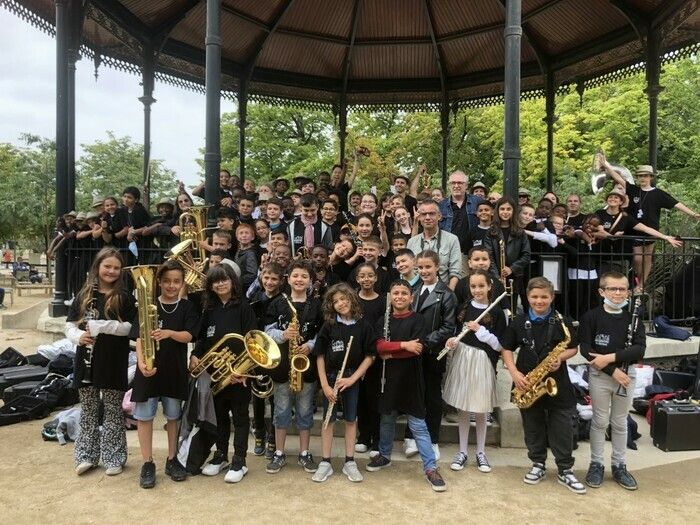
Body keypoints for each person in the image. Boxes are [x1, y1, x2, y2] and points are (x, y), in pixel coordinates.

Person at [500, 277, 585, 494]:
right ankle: (537, 463)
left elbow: (573, 348)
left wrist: (560, 357)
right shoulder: (518, 322)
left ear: (551, 297)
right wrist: (514, 372)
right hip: (526, 381)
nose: (539, 301)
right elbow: (506, 348)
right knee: (532, 425)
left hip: (558, 382)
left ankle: (565, 469)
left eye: (544, 297)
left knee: (562, 426)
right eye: (535, 297)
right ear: (527, 297)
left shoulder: (562, 321)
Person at [367, 279, 447, 492]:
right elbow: (378, 346)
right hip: (388, 379)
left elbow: (417, 348)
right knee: (387, 419)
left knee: (418, 425)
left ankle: (430, 467)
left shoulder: (418, 319)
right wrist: (403, 346)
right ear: (390, 297)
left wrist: (390, 353)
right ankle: (384, 455)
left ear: (411, 298)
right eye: (396, 293)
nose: (400, 296)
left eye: (404, 293)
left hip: (411, 379)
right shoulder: (383, 319)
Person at [64, 247, 136, 476]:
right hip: (86, 359)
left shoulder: (124, 296)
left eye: (116, 267)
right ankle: (86, 455)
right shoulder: (85, 293)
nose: (112, 271)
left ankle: (114, 456)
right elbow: (69, 325)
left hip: (113, 359)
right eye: (107, 266)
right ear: (98, 267)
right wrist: (78, 336)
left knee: (114, 409)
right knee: (88, 408)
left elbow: (130, 328)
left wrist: (103, 326)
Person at [131, 260, 198, 488]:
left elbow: (189, 335)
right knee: (145, 417)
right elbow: (139, 337)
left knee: (173, 417)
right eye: (167, 281)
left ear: (182, 284)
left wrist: (169, 333)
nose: (171, 285)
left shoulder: (187, 307)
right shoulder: (147, 304)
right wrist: (141, 363)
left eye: (176, 281)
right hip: (148, 369)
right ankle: (147, 462)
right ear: (158, 281)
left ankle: (172, 459)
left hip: (174, 369)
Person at [579, 272, 645, 490]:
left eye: (622, 289)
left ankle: (619, 465)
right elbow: (587, 350)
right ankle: (596, 463)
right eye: (612, 289)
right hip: (601, 376)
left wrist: (610, 358)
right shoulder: (591, 317)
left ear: (628, 291)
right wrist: (612, 370)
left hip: (627, 376)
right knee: (599, 421)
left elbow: (638, 349)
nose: (618, 293)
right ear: (602, 291)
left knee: (619, 422)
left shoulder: (632, 318)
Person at [191, 263, 257, 483]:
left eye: (224, 279)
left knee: (239, 418)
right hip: (215, 374)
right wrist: (194, 356)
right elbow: (201, 339)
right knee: (219, 417)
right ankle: (220, 455)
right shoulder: (209, 309)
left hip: (238, 374)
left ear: (233, 282)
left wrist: (244, 371)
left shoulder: (244, 307)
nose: (220, 284)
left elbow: (252, 342)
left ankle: (239, 460)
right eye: (215, 281)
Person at [443, 270, 506, 473]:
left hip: (483, 361)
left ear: (489, 286)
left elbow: (500, 345)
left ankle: (480, 451)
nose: (477, 290)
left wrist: (481, 332)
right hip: (463, 358)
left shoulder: (496, 312)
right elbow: (456, 332)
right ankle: (462, 451)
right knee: (463, 408)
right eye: (473, 286)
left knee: (480, 409)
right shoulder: (464, 307)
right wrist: (452, 342)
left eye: (481, 286)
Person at [312, 283, 376, 483]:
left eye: (343, 299)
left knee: (350, 420)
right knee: (327, 420)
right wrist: (324, 385)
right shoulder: (329, 325)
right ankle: (325, 462)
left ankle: (350, 461)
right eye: (335, 301)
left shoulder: (363, 325)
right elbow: (320, 355)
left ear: (351, 299)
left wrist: (353, 378)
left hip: (350, 379)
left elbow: (370, 355)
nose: (340, 304)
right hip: (331, 378)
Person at [264, 261, 322, 474]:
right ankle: (279, 453)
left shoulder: (317, 305)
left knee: (305, 411)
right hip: (282, 367)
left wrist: (310, 345)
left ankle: (304, 453)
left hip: (306, 367)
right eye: (295, 275)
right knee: (281, 411)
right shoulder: (277, 303)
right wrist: (283, 335)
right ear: (288, 278)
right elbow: (267, 333)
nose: (299, 279)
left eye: (304, 276)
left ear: (310, 281)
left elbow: (322, 334)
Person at [604, 163, 698, 291]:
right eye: (640, 176)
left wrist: (692, 214)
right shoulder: (633, 190)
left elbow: (676, 204)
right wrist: (606, 164)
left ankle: (641, 285)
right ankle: (640, 278)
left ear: (650, 177)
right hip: (635, 229)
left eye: (645, 176)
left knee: (647, 257)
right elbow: (618, 178)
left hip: (651, 230)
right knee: (637, 258)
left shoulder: (658, 194)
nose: (642, 178)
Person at [404, 250, 457, 460]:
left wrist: (425, 342)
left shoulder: (446, 294)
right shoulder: (413, 290)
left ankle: (433, 439)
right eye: (420, 268)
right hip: (412, 352)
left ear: (438, 267)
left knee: (432, 397)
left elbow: (448, 327)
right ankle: (412, 437)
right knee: (413, 394)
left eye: (428, 267)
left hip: (433, 353)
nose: (424, 271)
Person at [354, 262, 385, 455]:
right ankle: (363, 436)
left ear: (375, 278)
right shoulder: (352, 300)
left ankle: (376, 439)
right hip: (356, 355)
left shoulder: (383, 301)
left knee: (375, 398)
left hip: (376, 356)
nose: (366, 279)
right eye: (362, 276)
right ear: (357, 279)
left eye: (370, 275)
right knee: (360, 398)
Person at [483, 197, 531, 315]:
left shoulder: (520, 232)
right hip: (496, 276)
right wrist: (497, 275)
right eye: (502, 209)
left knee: (512, 308)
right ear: (497, 211)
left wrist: (511, 269)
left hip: (514, 276)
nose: (505, 212)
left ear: (513, 211)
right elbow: (488, 256)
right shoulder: (490, 232)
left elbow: (526, 255)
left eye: (509, 209)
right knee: (496, 308)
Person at [407, 199, 462, 290]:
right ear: (419, 217)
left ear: (439, 216)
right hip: (417, 293)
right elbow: (409, 272)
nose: (427, 217)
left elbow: (455, 272)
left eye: (432, 213)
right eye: (424, 214)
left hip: (443, 291)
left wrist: (448, 294)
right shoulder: (412, 242)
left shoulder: (452, 239)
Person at [438, 171, 484, 269]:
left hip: (472, 254)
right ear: (449, 185)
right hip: (447, 254)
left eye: (460, 183)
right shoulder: (440, 206)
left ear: (466, 185)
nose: (456, 186)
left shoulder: (478, 202)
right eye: (453, 183)